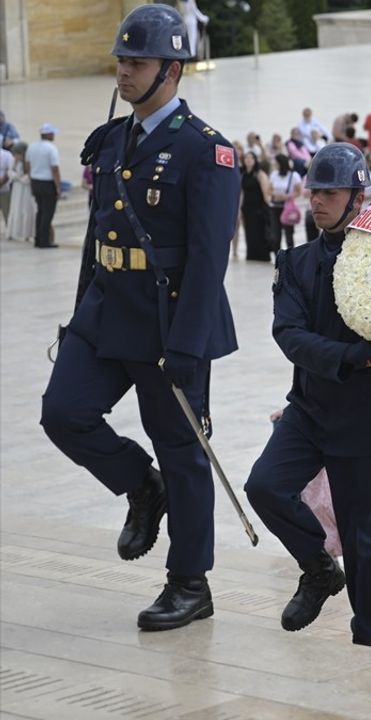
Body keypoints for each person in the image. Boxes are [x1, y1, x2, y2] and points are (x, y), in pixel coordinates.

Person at [40, 3, 239, 631]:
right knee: (63, 413)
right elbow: (98, 237)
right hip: (105, 310)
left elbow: (209, 262)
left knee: (182, 448)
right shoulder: (112, 140)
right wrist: (78, 315)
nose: (123, 72)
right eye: (121, 61)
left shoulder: (207, 152)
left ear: (171, 70)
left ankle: (190, 582)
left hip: (167, 319)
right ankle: (139, 486)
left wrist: (189, 343)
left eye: (137, 62)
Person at [243, 144, 371, 648]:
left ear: (357, 198)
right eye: (314, 190)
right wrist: (350, 356)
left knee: (369, 540)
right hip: (312, 407)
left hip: (368, 416)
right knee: (265, 487)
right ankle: (318, 568)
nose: (317, 200)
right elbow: (288, 334)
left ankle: (370, 637)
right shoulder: (294, 263)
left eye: (329, 192)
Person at [26, 123, 60, 249]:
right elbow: (55, 169)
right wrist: (58, 186)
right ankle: (45, 241)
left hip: (35, 181)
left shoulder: (32, 146)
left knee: (40, 211)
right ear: (49, 134)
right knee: (47, 213)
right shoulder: (51, 148)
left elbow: (27, 164)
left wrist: (31, 178)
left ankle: (38, 239)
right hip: (47, 183)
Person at [239, 150, 272, 261]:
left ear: (255, 160)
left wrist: (268, 208)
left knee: (260, 232)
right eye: (246, 158)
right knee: (249, 233)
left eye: (250, 158)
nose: (248, 160)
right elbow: (242, 193)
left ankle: (262, 256)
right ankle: (251, 255)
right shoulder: (242, 174)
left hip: (259, 208)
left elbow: (265, 192)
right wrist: (240, 208)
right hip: (247, 208)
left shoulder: (260, 174)